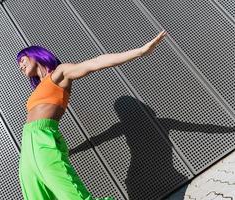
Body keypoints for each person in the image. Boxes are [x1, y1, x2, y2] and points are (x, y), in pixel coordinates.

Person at [17, 30, 167, 200]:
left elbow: (96, 62)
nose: (20, 66)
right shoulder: (38, 88)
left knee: (69, 194)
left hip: (43, 138)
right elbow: (102, 136)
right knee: (34, 193)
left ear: (35, 55)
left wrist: (140, 51)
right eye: (19, 65)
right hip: (28, 145)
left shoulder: (59, 73)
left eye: (22, 60)